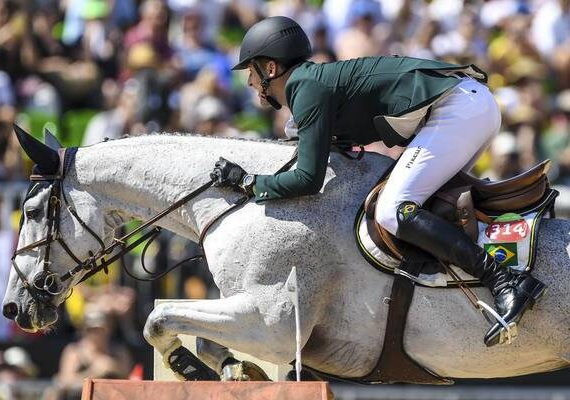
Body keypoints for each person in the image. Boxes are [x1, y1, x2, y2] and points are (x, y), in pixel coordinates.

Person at [210, 16, 547, 347]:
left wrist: (250, 182)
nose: (250, 83)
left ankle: (506, 281)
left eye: (251, 73)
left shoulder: (304, 87)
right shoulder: (313, 84)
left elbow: (307, 180)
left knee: (392, 210)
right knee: (425, 208)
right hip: (470, 106)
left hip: (457, 110)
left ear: (270, 69)